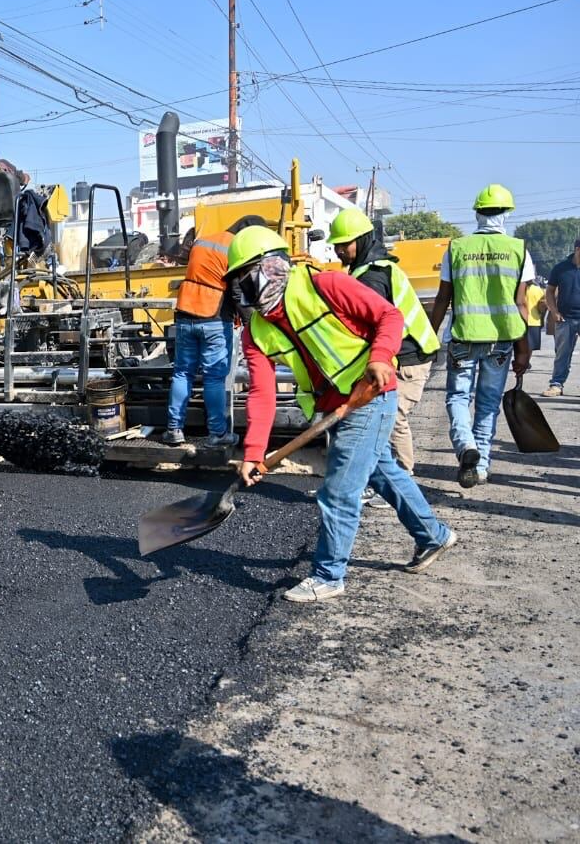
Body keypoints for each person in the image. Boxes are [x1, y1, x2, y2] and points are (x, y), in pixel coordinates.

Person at [227, 226, 456, 603]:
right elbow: (263, 392)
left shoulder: (326, 285)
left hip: (370, 394)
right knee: (383, 472)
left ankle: (328, 574)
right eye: (239, 281)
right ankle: (434, 536)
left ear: (273, 266)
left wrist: (381, 357)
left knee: (339, 490)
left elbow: (389, 317)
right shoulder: (257, 331)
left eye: (247, 276)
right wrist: (253, 452)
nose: (244, 289)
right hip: (336, 405)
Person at [429, 184, 534, 488]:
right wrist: (523, 350)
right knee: (488, 403)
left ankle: (466, 446)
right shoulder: (519, 250)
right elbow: (521, 303)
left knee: (458, 398)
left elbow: (442, 298)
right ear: (506, 214)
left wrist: (429, 335)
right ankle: (483, 466)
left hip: (463, 339)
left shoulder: (457, 248)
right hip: (500, 342)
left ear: (477, 213)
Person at [328, 207, 440, 474]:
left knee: (392, 420)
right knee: (382, 418)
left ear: (363, 240)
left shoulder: (372, 277)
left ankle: (402, 477)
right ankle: (383, 478)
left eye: (345, 244)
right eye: (337, 245)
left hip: (408, 357)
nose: (339, 251)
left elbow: (378, 324)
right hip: (400, 355)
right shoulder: (369, 270)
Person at [162, 215, 265, 448]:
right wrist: (252, 323)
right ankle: (217, 434)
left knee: (182, 373)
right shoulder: (236, 248)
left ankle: (174, 430)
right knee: (214, 378)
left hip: (186, 315)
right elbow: (238, 293)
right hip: (214, 319)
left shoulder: (203, 241)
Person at [543, 238, 580, 396]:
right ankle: (556, 384)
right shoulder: (560, 268)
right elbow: (549, 291)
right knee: (562, 355)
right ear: (577, 249)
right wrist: (554, 311)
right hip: (565, 318)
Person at [525, 276, 547, 352]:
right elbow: (544, 305)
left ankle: (524, 362)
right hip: (534, 321)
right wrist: (542, 320)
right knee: (530, 346)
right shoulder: (538, 290)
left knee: (521, 347)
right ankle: (526, 362)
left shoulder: (518, 289)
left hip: (521, 321)